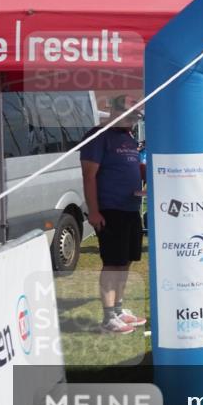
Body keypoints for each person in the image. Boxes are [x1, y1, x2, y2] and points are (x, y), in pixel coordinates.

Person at [80, 94, 148, 335]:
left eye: (135, 118)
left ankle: (118, 309)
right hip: (110, 210)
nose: (133, 122)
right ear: (115, 113)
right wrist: (95, 211)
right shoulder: (98, 136)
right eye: (129, 117)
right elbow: (89, 175)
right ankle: (108, 317)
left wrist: (146, 171)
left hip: (131, 208)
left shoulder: (127, 137)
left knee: (126, 261)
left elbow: (130, 165)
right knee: (112, 263)